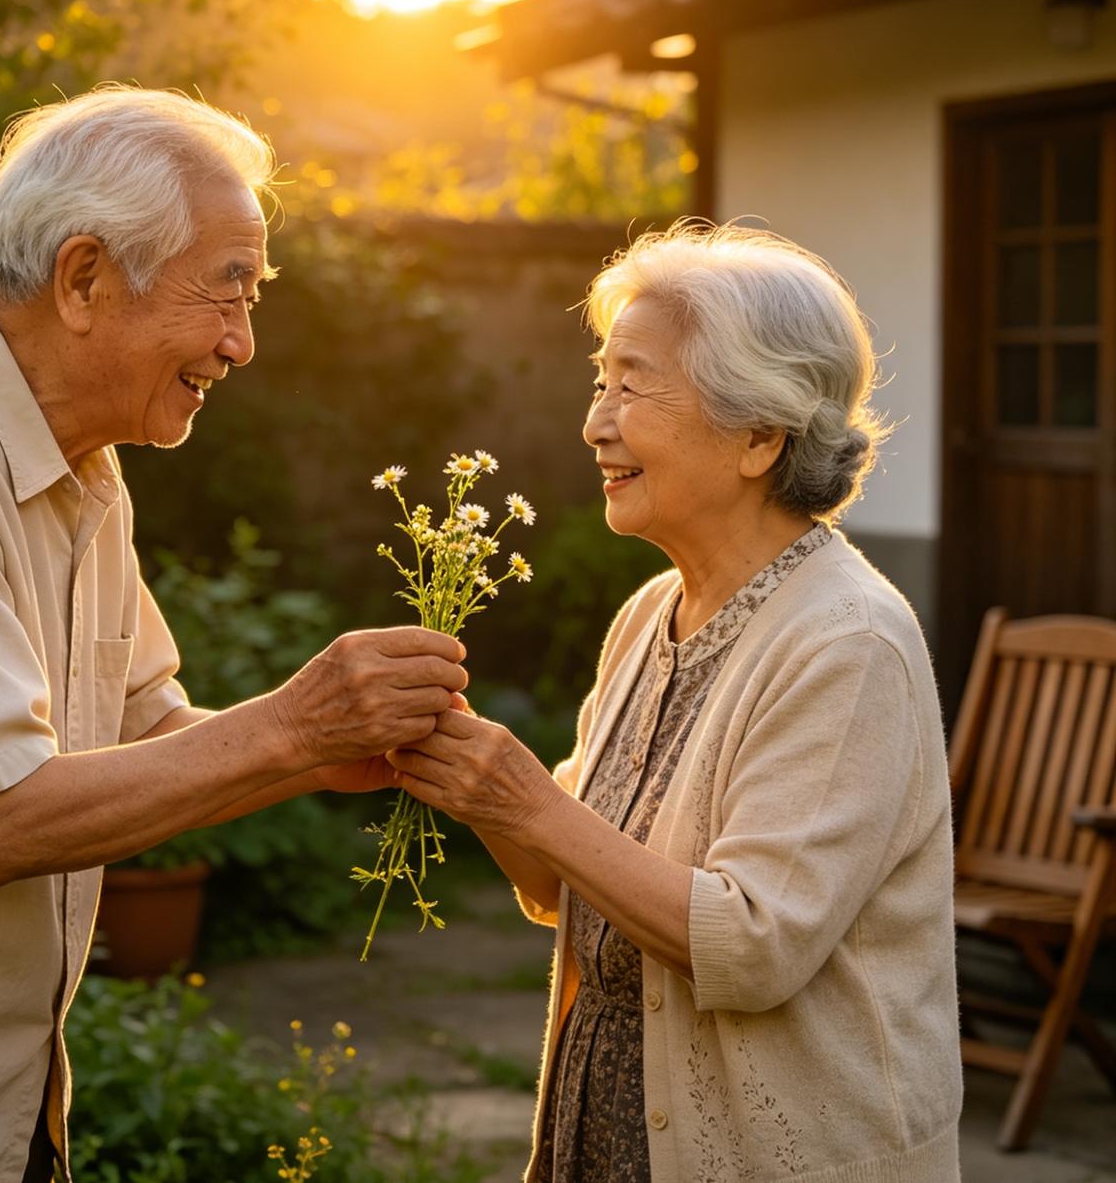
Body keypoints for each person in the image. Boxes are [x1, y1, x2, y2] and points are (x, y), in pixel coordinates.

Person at [0, 87, 467, 1183]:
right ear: (83, 279)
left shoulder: (84, 460)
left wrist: (327, 756)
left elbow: (151, 724)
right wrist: (293, 728)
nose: (244, 342)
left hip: (2, 1114)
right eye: (226, 291)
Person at [389, 222, 962, 1183]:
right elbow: (559, 884)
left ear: (759, 434)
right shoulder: (653, 610)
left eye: (632, 385)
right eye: (599, 381)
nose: (594, 422)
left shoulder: (848, 642)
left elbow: (752, 943)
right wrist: (461, 766)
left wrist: (525, 797)